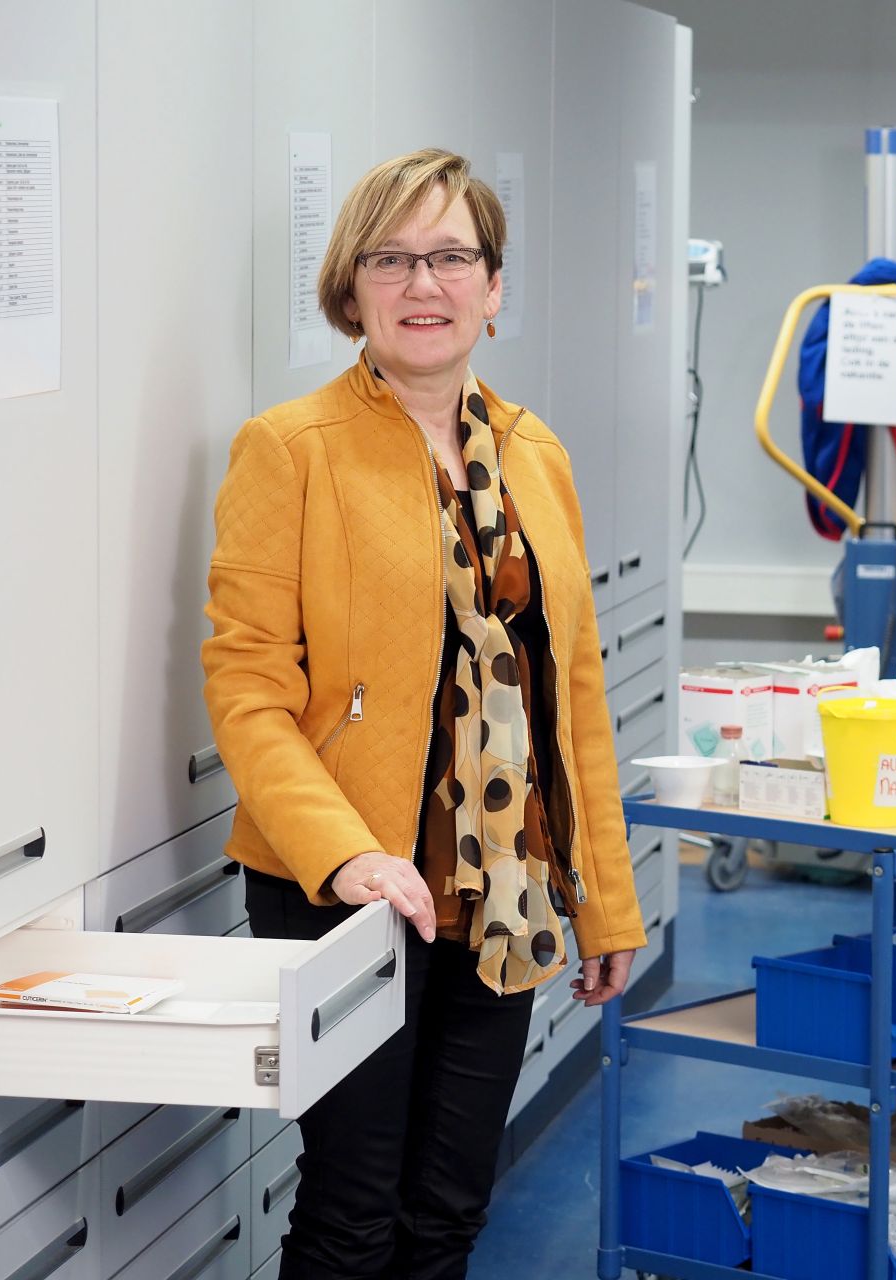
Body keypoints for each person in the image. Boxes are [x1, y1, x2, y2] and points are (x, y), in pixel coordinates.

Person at [202, 147, 647, 1280]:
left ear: (493, 287)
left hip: (503, 884)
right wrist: (344, 853)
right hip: (347, 890)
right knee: (352, 1215)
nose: (422, 284)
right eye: (391, 259)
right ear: (350, 289)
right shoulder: (290, 450)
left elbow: (572, 694)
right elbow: (248, 688)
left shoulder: (535, 453)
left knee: (448, 1211)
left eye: (450, 257)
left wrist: (607, 902)